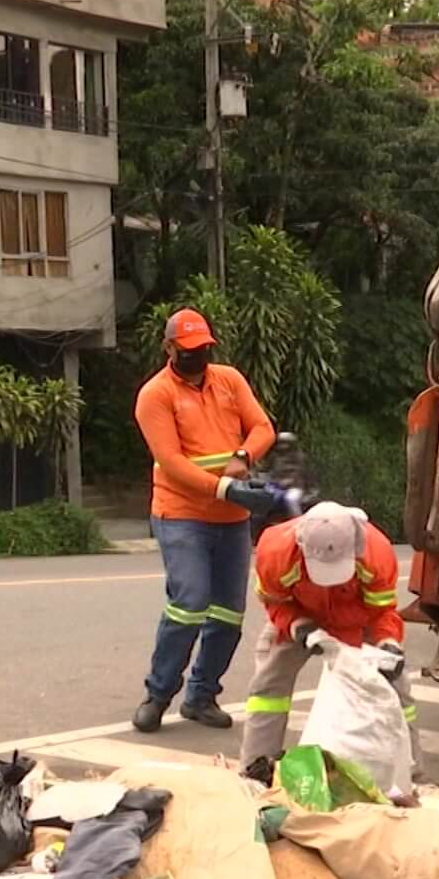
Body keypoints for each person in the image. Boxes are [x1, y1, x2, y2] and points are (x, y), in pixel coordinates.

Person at [131, 309, 281, 733]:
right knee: (189, 604)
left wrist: (242, 457)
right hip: (182, 515)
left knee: (229, 613)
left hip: (231, 519)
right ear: (170, 349)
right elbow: (171, 461)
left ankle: (201, 696)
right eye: (189, 350)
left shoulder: (228, 380)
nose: (198, 356)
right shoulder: (155, 395)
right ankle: (158, 694)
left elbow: (262, 427)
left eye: (204, 349)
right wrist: (224, 489)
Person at [239, 501, 421, 775]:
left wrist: (388, 644)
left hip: (359, 621)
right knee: (268, 685)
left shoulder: (377, 552)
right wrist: (300, 628)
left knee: (396, 687)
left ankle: (409, 773)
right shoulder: (276, 551)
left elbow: (382, 611)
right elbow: (275, 602)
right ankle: (256, 767)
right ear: (302, 545)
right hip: (302, 616)